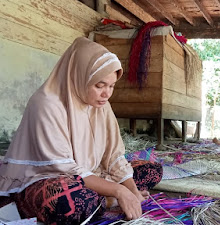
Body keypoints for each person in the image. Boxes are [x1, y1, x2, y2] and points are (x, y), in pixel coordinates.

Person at [0, 37, 162, 224]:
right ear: (79, 76)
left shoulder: (102, 105)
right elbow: (64, 168)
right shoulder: (46, 103)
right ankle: (104, 199)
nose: (106, 94)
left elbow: (113, 156)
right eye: (99, 85)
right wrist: (118, 190)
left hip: (90, 174)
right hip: (47, 178)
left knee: (152, 170)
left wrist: (132, 191)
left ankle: (102, 199)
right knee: (73, 201)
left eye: (111, 86)